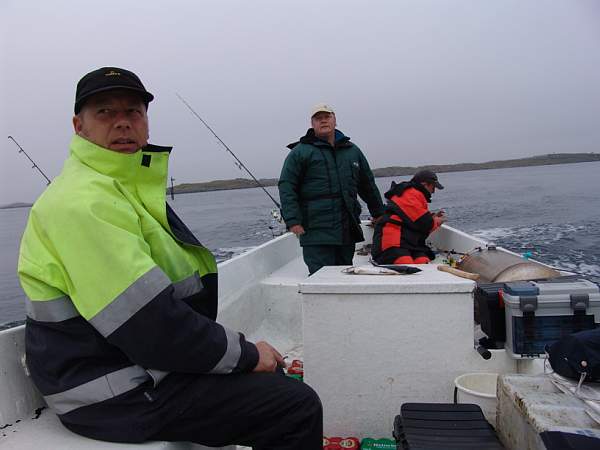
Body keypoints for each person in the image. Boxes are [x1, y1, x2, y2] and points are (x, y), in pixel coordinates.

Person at [17, 67, 322, 449]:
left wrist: (239, 355)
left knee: (270, 381)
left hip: (133, 366)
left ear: (146, 123)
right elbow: (149, 325)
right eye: (105, 112)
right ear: (79, 127)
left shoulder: (120, 190)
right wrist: (246, 354)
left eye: (133, 112)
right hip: (108, 393)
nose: (122, 122)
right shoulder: (80, 203)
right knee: (295, 407)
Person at [278, 103, 384, 275]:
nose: (323, 121)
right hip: (315, 230)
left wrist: (379, 213)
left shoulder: (352, 151)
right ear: (312, 124)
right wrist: (293, 220)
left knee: (345, 275)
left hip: (347, 228)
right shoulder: (300, 152)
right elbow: (287, 186)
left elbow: (367, 185)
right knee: (320, 277)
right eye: (318, 118)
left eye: (327, 117)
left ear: (335, 120)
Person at [371, 169, 447, 264]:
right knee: (404, 262)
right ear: (424, 185)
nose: (433, 191)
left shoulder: (412, 194)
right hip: (391, 241)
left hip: (408, 242)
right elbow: (425, 224)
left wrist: (432, 218)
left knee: (422, 261)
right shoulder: (411, 195)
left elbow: (415, 219)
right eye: (433, 187)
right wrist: (437, 221)